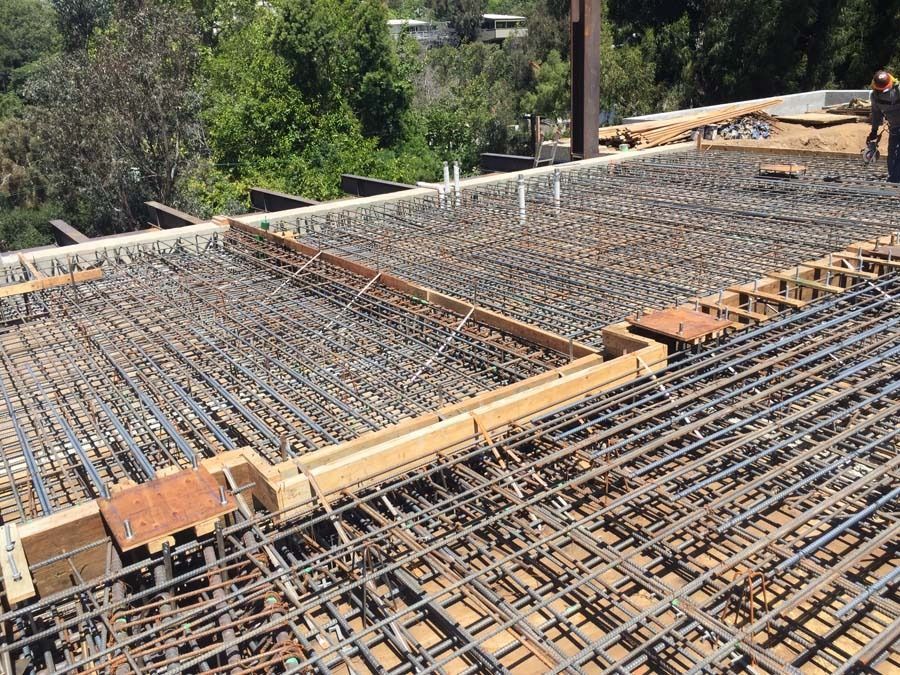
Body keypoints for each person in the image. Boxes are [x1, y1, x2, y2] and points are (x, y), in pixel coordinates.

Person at [868, 69, 900, 183]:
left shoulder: (898, 90)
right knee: (893, 152)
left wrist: (874, 131)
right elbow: (876, 115)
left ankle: (895, 179)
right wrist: (874, 131)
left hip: (895, 126)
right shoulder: (875, 97)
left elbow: (876, 115)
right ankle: (894, 179)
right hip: (895, 127)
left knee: (895, 152)